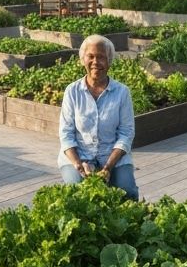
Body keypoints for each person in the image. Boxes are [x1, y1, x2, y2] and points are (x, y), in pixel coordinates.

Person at [58, 34, 139, 200]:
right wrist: (78, 165)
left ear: (109, 61)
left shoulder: (122, 92)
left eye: (101, 57)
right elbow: (66, 134)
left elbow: (126, 134)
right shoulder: (72, 92)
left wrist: (108, 167)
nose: (96, 62)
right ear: (83, 60)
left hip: (113, 157)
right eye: (91, 56)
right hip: (79, 155)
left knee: (127, 192)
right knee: (77, 193)